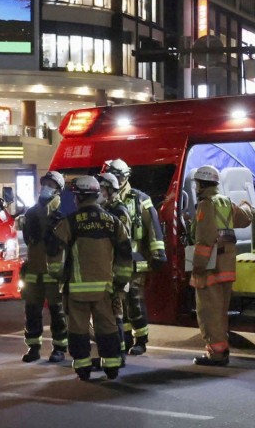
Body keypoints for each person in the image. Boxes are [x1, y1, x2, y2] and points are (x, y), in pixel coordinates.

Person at [47, 176, 132, 381]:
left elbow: (55, 254)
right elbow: (125, 254)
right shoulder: (113, 222)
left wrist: (58, 275)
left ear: (79, 197)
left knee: (78, 330)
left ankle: (83, 368)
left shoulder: (69, 223)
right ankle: (112, 367)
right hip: (105, 290)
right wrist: (119, 282)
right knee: (107, 327)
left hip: (77, 291)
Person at [188, 165, 253, 366]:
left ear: (200, 184)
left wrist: (196, 267)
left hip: (210, 268)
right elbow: (245, 218)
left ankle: (216, 354)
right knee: (220, 311)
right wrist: (246, 204)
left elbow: (205, 240)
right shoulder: (225, 201)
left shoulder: (206, 205)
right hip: (226, 267)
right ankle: (221, 350)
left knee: (208, 312)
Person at [101, 158, 166, 355]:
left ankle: (141, 339)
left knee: (134, 301)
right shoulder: (106, 199)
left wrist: (158, 253)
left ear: (123, 177)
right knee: (119, 301)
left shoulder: (139, 199)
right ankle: (127, 338)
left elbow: (153, 227)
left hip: (136, 261)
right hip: (113, 261)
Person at [15, 170, 68, 363]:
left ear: (58, 190)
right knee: (32, 311)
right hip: (33, 271)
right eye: (45, 183)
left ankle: (59, 348)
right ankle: (33, 347)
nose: (46, 187)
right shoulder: (30, 212)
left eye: (51, 185)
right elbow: (27, 241)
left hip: (54, 272)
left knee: (57, 312)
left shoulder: (63, 213)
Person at [97, 172, 131, 366]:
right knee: (111, 313)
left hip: (116, 269)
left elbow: (122, 243)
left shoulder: (119, 211)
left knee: (116, 313)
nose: (100, 192)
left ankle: (120, 355)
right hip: (107, 269)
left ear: (110, 190)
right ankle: (117, 353)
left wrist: (120, 277)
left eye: (102, 189)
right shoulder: (105, 209)